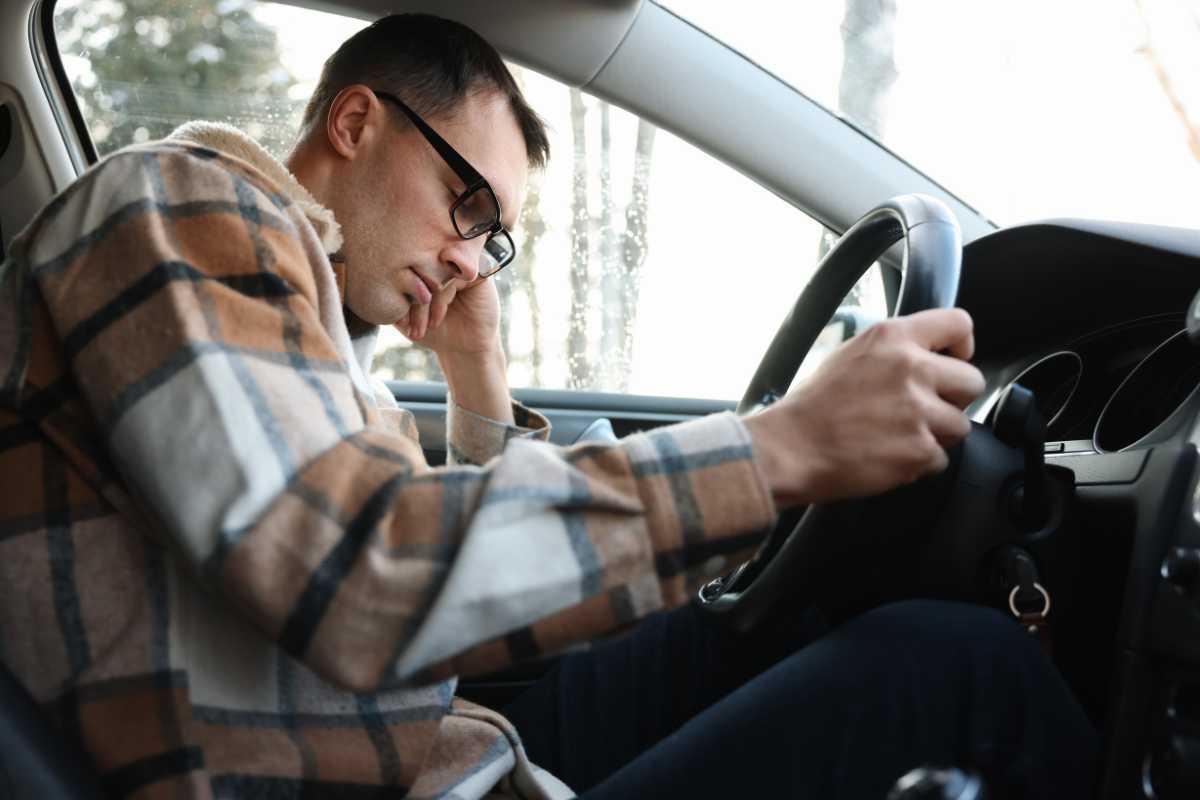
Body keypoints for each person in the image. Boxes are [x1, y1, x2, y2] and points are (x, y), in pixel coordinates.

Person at [0, 12, 1095, 800]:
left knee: (789, 620)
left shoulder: (316, 337)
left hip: (430, 745)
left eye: (494, 238)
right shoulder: (182, 200)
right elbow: (357, 575)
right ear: (355, 122)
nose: (469, 257)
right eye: (465, 203)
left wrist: (477, 370)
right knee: (960, 669)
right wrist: (780, 446)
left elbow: (455, 594)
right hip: (373, 769)